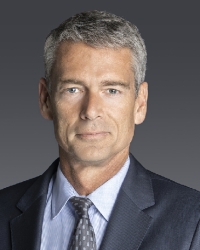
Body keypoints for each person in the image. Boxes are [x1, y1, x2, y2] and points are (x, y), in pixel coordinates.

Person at [0, 10, 200, 250]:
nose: (91, 110)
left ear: (140, 103)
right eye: (73, 89)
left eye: (112, 90)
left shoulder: (192, 220)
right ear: (45, 99)